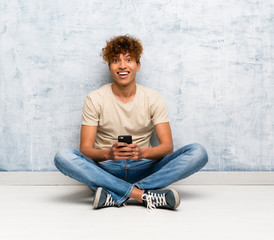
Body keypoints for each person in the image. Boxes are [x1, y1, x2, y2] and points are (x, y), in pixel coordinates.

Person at [54, 35, 208, 211]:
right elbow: (86, 149)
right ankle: (142, 195)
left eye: (128, 60)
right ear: (109, 67)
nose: (122, 66)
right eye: (115, 60)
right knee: (62, 156)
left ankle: (114, 194)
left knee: (198, 152)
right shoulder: (95, 98)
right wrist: (108, 154)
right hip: (106, 170)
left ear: (138, 65)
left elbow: (167, 147)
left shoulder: (153, 98)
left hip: (144, 167)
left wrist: (142, 152)